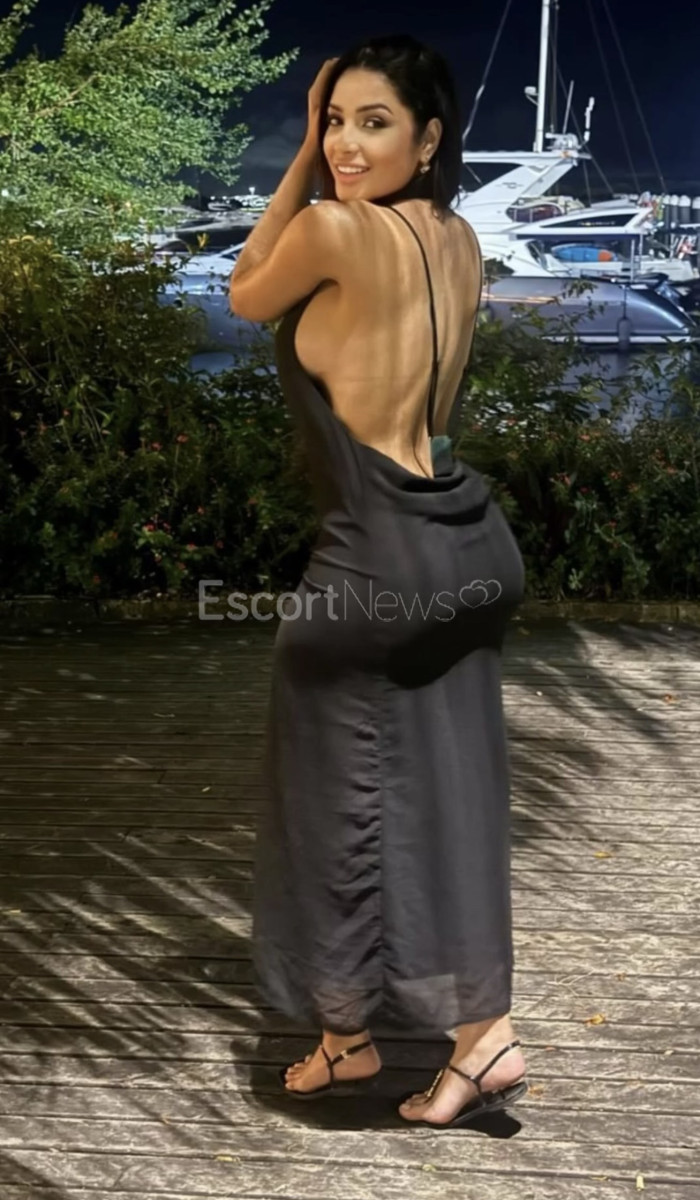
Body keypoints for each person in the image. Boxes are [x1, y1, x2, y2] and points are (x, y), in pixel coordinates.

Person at [230, 34, 528, 1131]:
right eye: (334, 122)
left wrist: (298, 165)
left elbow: (244, 294)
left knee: (326, 802)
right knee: (447, 790)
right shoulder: (461, 240)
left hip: (372, 556)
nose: (345, 146)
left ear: (429, 137)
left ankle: (353, 1035)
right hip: (467, 541)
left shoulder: (332, 229)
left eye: (373, 122)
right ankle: (475, 1038)